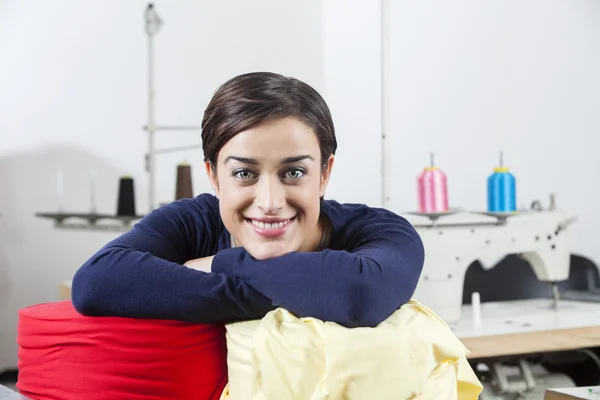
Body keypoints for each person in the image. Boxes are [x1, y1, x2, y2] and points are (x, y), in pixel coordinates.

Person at [71, 72, 425, 328]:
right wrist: (300, 296)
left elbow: (361, 291)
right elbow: (96, 282)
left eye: (294, 172)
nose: (270, 201)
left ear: (325, 173)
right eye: (244, 174)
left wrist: (217, 264)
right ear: (213, 176)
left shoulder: (381, 231)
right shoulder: (191, 221)